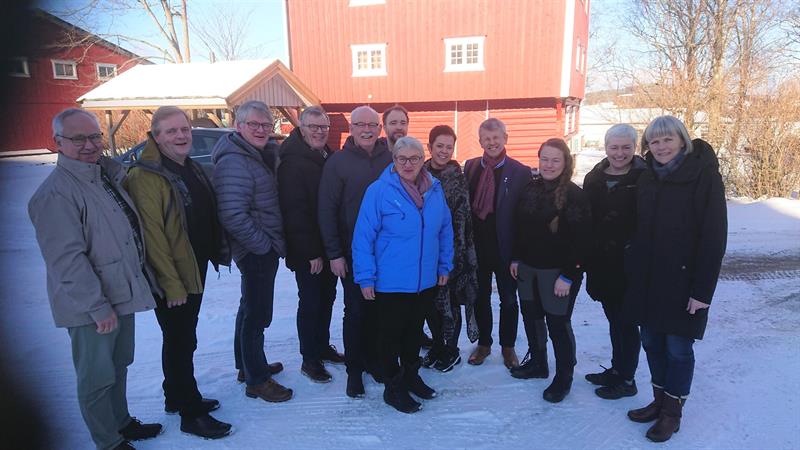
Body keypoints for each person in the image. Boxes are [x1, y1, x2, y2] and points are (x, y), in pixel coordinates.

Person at [28, 108, 162, 450]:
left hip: (121, 291)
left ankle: (121, 422)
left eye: (94, 137)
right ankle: (108, 441)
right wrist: (97, 307)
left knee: (119, 364)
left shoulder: (104, 176)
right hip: (92, 305)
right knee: (96, 377)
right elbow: (67, 262)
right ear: (58, 143)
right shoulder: (56, 194)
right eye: (78, 139)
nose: (89, 145)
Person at [126, 106, 232, 439]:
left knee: (183, 337)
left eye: (184, 129)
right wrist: (171, 286)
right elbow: (153, 237)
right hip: (171, 274)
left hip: (193, 267)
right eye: (171, 131)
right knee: (180, 339)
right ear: (155, 136)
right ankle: (190, 412)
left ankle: (176, 395)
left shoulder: (187, 167)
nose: (181, 136)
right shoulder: (146, 176)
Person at [624, 116, 727, 442]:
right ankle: (658, 401)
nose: (661, 147)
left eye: (668, 140)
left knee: (678, 348)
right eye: (654, 142)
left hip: (684, 283)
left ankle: (672, 413)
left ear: (683, 140)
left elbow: (714, 237)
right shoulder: (648, 178)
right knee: (652, 342)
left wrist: (702, 291)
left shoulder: (703, 177)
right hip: (649, 280)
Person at [352, 136, 454, 413]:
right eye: (401, 159)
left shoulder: (434, 189)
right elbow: (363, 237)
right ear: (394, 161)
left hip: (424, 281)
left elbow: (444, 229)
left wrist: (444, 265)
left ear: (424, 160)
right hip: (391, 282)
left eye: (414, 158)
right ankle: (393, 386)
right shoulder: (379, 191)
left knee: (413, 334)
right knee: (390, 337)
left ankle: (411, 375)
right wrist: (366, 277)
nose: (408, 164)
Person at [212, 100, 293, 403]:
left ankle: (246, 365)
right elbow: (232, 213)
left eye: (265, 125)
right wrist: (264, 245)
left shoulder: (254, 155)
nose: (261, 130)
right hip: (255, 248)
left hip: (258, 246)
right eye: (253, 124)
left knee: (249, 307)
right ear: (238, 125)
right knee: (258, 313)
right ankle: (257, 379)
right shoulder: (235, 161)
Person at [509, 138, 592, 403]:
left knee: (557, 324)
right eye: (545, 158)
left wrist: (569, 275)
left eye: (555, 160)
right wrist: (515, 258)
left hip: (557, 275)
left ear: (565, 162)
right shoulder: (530, 189)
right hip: (528, 269)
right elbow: (520, 229)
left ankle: (563, 376)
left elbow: (582, 241)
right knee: (532, 318)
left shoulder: (574, 195)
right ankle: (538, 363)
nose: (549, 164)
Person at [318, 105, 392, 398]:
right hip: (352, 255)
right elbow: (326, 210)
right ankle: (354, 371)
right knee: (356, 311)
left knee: (379, 311)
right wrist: (334, 253)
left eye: (372, 125)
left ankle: (375, 360)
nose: (366, 129)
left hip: (386, 254)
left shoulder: (390, 158)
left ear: (379, 128)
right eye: (360, 124)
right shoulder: (338, 163)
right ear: (352, 127)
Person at [277, 106, 345, 384]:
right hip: (310, 252)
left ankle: (321, 346)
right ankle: (309, 358)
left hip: (327, 247)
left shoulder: (323, 154)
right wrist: (311, 253)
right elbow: (295, 212)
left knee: (326, 299)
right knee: (311, 303)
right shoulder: (293, 162)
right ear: (301, 127)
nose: (319, 132)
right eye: (313, 127)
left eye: (323, 127)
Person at [582, 124, 647, 400]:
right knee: (613, 319)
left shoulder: (645, 178)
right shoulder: (593, 178)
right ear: (606, 147)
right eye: (614, 147)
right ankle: (617, 369)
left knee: (627, 322)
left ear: (635, 148)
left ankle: (627, 378)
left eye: (626, 147)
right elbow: (585, 219)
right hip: (602, 263)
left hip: (631, 265)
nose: (619, 153)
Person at [463, 118, 530, 368]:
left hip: (506, 249)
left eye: (496, 138)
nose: (491, 143)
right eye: (486, 139)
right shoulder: (470, 167)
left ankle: (508, 346)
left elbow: (525, 218)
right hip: (478, 249)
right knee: (480, 298)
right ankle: (484, 344)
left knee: (509, 300)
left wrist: (518, 255)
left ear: (505, 139)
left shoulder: (520, 172)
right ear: (480, 141)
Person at [421, 125, 479, 372]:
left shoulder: (457, 177)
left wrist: (456, 253)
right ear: (430, 147)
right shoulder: (419, 174)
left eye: (449, 147)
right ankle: (436, 346)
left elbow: (463, 217)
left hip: (453, 251)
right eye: (439, 146)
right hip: (424, 251)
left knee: (451, 302)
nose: (444, 151)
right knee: (429, 303)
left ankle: (451, 349)